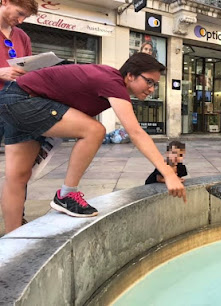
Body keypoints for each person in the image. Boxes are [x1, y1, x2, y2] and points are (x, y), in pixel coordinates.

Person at [0, 52, 186, 233]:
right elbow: (136, 133)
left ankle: (13, 243)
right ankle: (66, 195)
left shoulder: (109, 79)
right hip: (24, 100)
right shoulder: (113, 82)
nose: (152, 89)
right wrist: (168, 172)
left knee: (17, 177)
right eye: (149, 81)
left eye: (156, 84)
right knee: (94, 130)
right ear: (130, 75)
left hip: (15, 98)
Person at [0, 0, 37, 148]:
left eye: (25, 17)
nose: (21, 21)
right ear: (5, 1)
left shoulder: (22, 37)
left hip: (14, 106)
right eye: (20, 13)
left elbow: (29, 69)